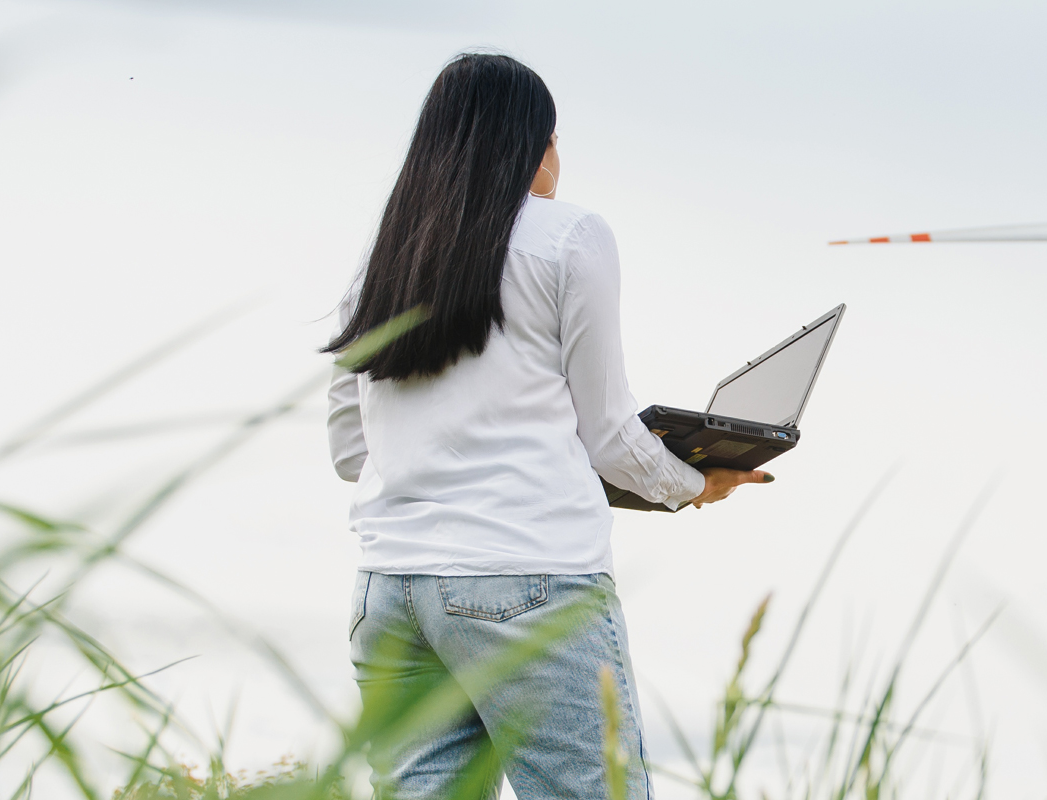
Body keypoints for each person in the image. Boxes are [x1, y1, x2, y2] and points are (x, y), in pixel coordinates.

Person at [322, 52, 771, 799]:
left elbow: (349, 453)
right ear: (531, 146)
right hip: (527, 577)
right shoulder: (569, 238)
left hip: (392, 590)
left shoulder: (382, 260)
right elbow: (607, 432)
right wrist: (691, 483)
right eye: (554, 139)